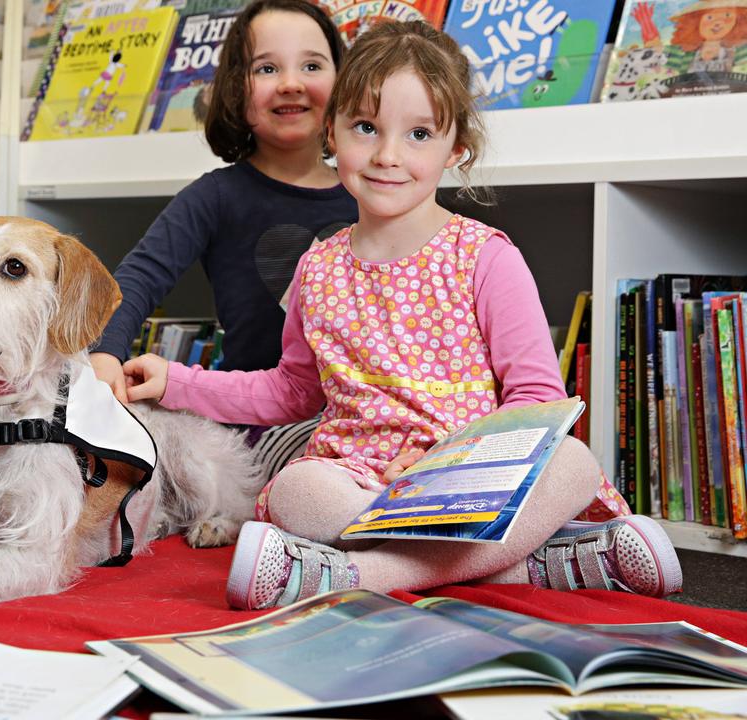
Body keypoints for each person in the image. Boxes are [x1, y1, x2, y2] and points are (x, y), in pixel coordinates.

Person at [123, 20, 682, 609]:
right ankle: (533, 566)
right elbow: (291, 391)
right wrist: (177, 381)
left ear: (456, 148)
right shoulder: (317, 268)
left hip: (470, 478)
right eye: (366, 127)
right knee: (297, 491)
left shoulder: (486, 257)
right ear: (331, 134)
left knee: (571, 461)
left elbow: (536, 403)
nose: (388, 155)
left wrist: (447, 465)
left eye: (419, 133)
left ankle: (353, 576)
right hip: (364, 482)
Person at [90, 0, 359, 475]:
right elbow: (138, 277)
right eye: (267, 67)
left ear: (344, 83)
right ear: (236, 88)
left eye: (312, 65)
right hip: (254, 424)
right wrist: (106, 354)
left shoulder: (372, 191)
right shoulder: (215, 196)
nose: (291, 82)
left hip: (366, 418)